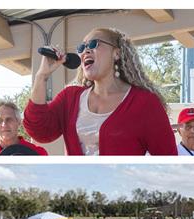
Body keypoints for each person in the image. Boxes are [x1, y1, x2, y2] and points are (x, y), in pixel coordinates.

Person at [24, 27, 177, 155]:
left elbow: (167, 157)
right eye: (81, 48)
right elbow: (39, 131)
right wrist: (41, 76)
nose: (86, 51)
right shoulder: (70, 97)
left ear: (116, 53)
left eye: (93, 44)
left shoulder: (145, 103)